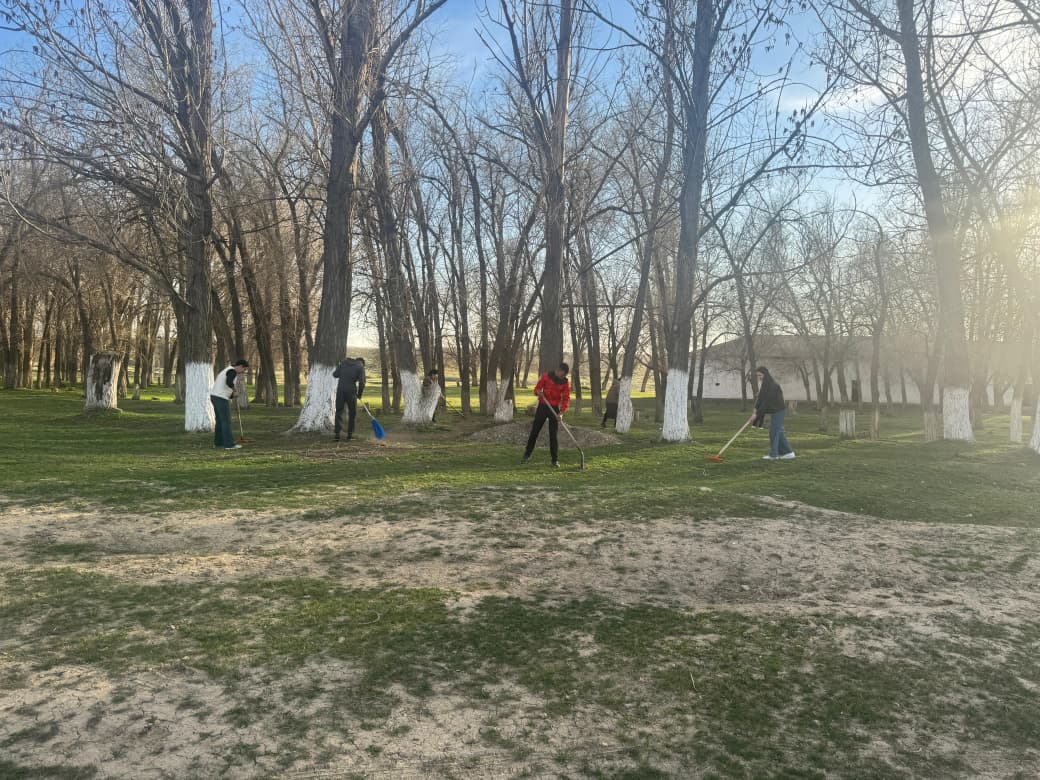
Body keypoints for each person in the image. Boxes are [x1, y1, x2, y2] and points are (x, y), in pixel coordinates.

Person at [521, 362, 571, 468]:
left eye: (564, 375)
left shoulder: (565, 383)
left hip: (554, 409)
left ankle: (554, 460)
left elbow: (566, 399)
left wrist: (561, 413)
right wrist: (538, 392)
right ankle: (527, 454)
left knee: (553, 435)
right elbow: (536, 389)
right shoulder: (546, 376)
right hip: (543, 407)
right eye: (561, 374)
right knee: (535, 431)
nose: (562, 376)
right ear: (558, 370)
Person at [750, 365, 795, 460]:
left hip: (779, 411)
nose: (759, 378)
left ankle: (773, 455)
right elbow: (760, 398)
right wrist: (754, 411)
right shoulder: (765, 384)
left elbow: (766, 402)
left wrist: (757, 415)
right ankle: (789, 453)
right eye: (757, 376)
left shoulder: (772, 385)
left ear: (765, 374)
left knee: (774, 432)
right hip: (774, 410)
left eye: (760, 375)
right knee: (779, 432)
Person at [210, 359, 249, 450]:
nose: (243, 372)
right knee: (226, 421)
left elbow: (224, 385)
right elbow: (229, 382)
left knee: (220, 421)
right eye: (244, 369)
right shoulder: (232, 371)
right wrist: (234, 390)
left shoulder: (227, 370)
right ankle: (229, 444)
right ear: (240, 366)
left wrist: (232, 395)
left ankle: (218, 443)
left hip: (215, 396)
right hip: (221, 398)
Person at [332, 356, 366, 441]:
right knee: (352, 413)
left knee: (339, 411)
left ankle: (337, 434)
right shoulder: (360, 366)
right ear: (362, 363)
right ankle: (350, 435)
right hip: (351, 392)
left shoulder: (343, 363)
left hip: (340, 390)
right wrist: (359, 394)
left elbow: (335, 374)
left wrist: (340, 367)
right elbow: (362, 382)